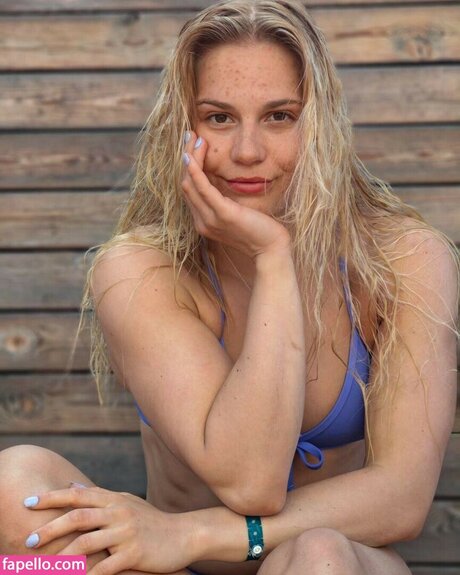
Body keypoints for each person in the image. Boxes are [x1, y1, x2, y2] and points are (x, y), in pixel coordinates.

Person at [0, 1, 458, 574]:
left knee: (318, 553)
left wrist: (189, 535)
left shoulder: (403, 259)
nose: (247, 151)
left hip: (322, 564)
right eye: (219, 118)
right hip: (169, 569)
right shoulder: (137, 270)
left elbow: (402, 499)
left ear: (320, 125)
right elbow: (250, 476)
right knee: (12, 490)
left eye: (280, 116)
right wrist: (273, 262)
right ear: (183, 128)